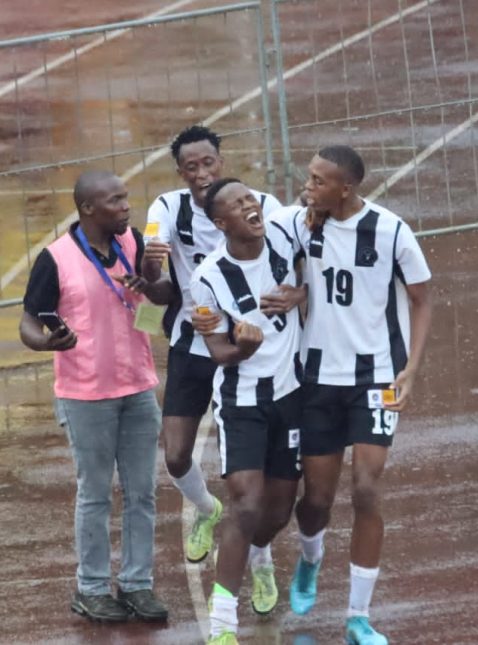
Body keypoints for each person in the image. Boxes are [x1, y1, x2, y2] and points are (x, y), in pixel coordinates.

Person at [272, 145, 432, 645]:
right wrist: (296, 292)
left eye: (318, 181)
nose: (308, 186)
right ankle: (311, 557)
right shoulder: (300, 225)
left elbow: (422, 298)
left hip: (376, 378)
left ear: (346, 188)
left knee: (365, 488)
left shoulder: (391, 231)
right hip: (318, 380)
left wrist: (411, 369)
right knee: (316, 500)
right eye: (309, 177)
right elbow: (255, 242)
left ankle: (358, 617)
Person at [19, 170, 173, 623]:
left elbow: (164, 294)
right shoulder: (56, 258)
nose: (126, 206)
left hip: (138, 387)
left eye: (125, 198)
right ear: (88, 208)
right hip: (85, 395)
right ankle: (91, 588)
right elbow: (29, 321)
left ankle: (137, 584)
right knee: (95, 494)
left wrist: (150, 279)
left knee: (142, 492)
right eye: (115, 200)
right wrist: (46, 342)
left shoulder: (133, 242)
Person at [141, 125, 283, 613]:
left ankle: (262, 562)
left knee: (249, 479)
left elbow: (294, 252)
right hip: (194, 344)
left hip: (250, 352)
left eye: (208, 163)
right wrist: (151, 263)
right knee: (177, 455)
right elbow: (153, 274)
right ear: (180, 172)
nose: (201, 173)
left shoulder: (258, 204)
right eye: (191, 167)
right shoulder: (168, 208)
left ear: (220, 161)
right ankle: (206, 508)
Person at [189, 178, 306, 645]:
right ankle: (222, 624)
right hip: (241, 401)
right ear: (221, 223)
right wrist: (243, 348)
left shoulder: (285, 237)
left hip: (291, 395)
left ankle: (260, 554)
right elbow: (218, 351)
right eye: (237, 205)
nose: (249, 206)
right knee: (246, 504)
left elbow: (321, 277)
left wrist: (298, 295)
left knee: (277, 511)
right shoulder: (207, 278)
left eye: (250, 198)